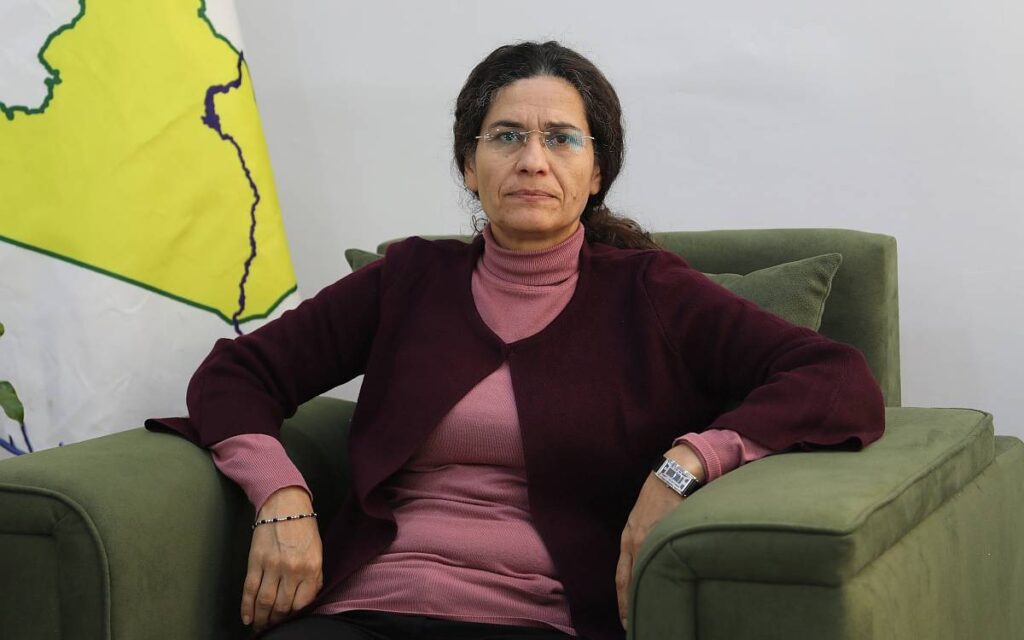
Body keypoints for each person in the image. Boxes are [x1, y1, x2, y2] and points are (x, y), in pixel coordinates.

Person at [148, 41, 884, 640]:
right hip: (360, 607)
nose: (533, 159)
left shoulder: (652, 293)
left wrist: (684, 466)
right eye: (506, 136)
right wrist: (281, 497)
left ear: (596, 172)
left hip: (540, 619)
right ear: (470, 168)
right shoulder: (408, 278)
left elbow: (833, 377)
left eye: (561, 138)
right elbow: (237, 374)